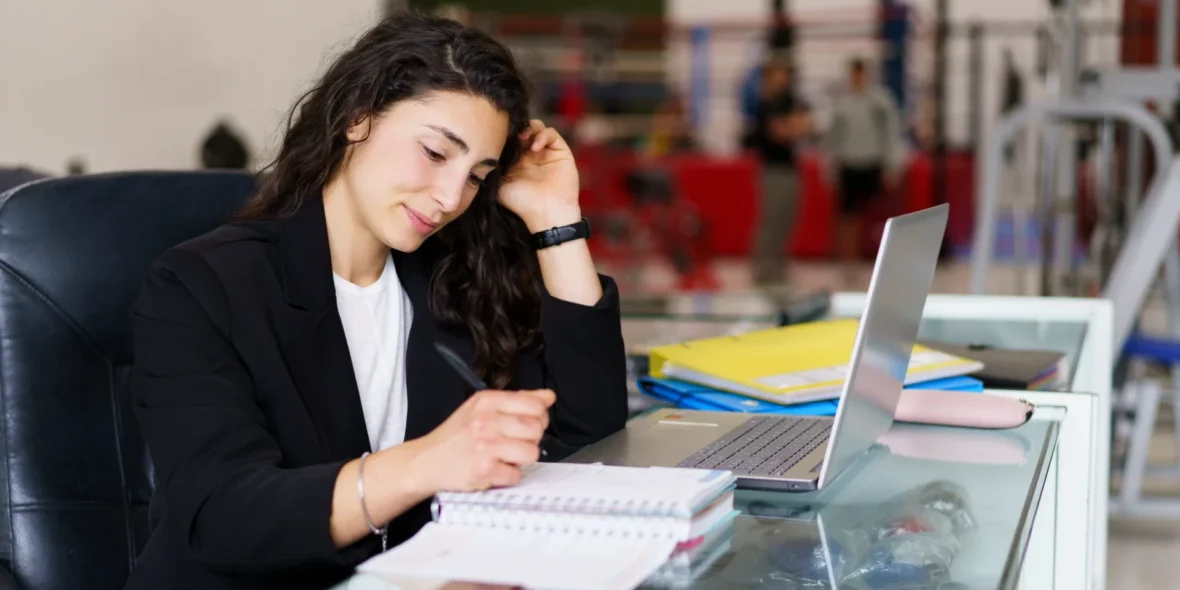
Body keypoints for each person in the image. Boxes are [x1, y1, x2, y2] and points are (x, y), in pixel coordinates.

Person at [125, 12, 629, 590]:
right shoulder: (200, 284)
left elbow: (589, 437)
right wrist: (428, 463)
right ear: (358, 119)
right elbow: (225, 516)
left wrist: (555, 218)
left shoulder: (453, 278)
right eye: (437, 153)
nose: (449, 197)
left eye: (476, 176)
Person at [824, 57, 903, 281]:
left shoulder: (880, 102)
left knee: (876, 216)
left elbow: (891, 134)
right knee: (848, 216)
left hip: (873, 163)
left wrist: (892, 165)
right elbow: (833, 138)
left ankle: (882, 261)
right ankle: (849, 263)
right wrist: (830, 167)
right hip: (849, 164)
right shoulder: (842, 103)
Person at [750, 56, 811, 286]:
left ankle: (779, 266)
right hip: (772, 170)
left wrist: (793, 126)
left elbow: (806, 125)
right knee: (771, 220)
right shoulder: (765, 104)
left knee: (787, 219)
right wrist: (793, 126)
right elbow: (780, 133)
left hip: (790, 167)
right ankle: (762, 269)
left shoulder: (790, 101)